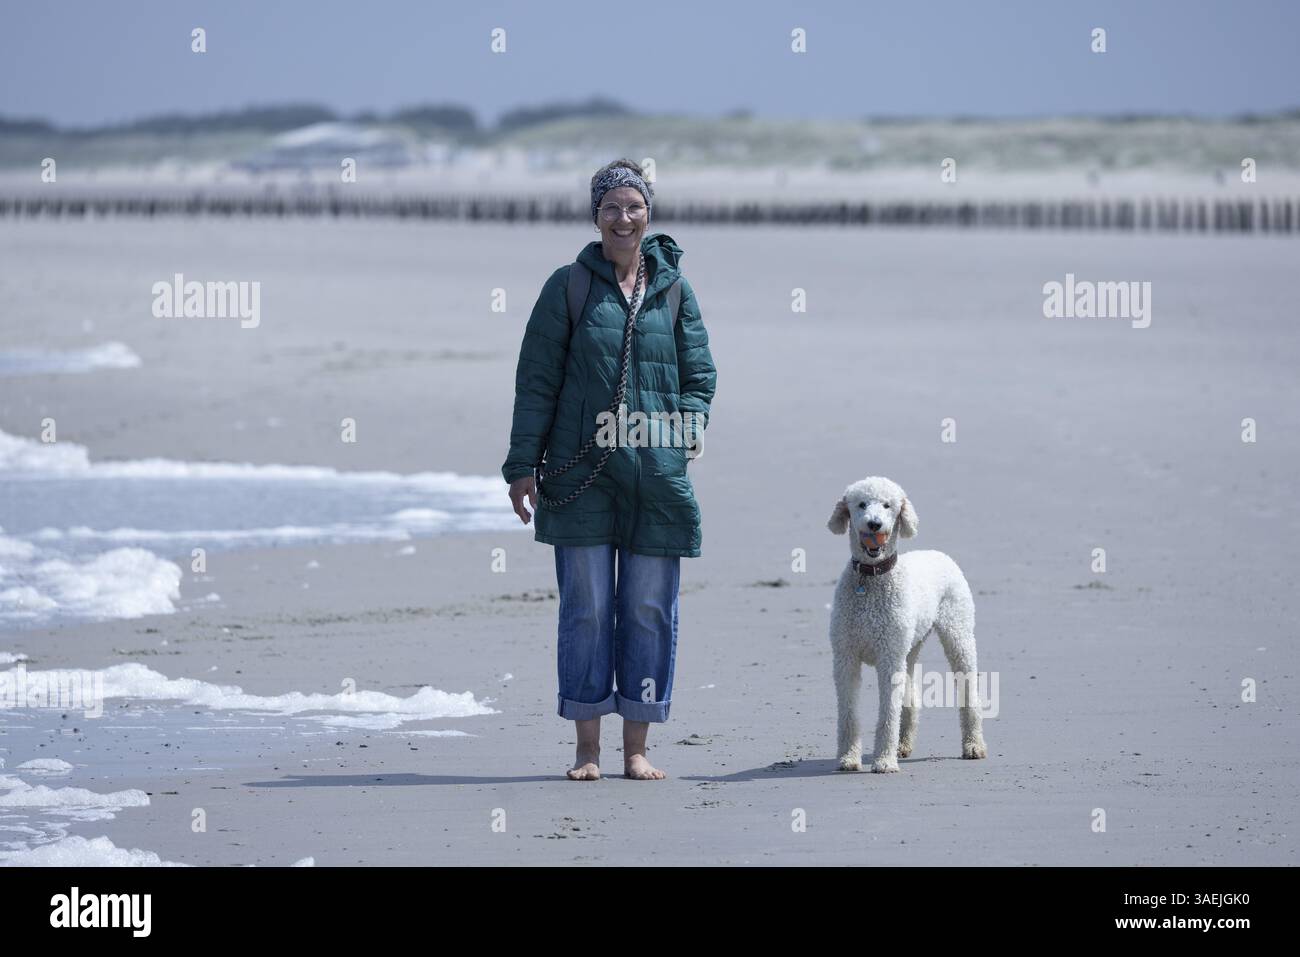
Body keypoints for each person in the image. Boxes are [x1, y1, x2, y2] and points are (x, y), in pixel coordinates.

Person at [502, 158, 717, 780]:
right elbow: (536, 382)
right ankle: (588, 751)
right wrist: (522, 466)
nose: (623, 218)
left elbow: (699, 376)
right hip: (578, 475)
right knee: (588, 609)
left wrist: (684, 433)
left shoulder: (674, 289)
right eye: (611, 208)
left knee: (650, 608)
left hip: (656, 475)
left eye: (633, 206)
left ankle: (638, 749)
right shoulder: (567, 286)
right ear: (595, 217)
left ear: (649, 212)